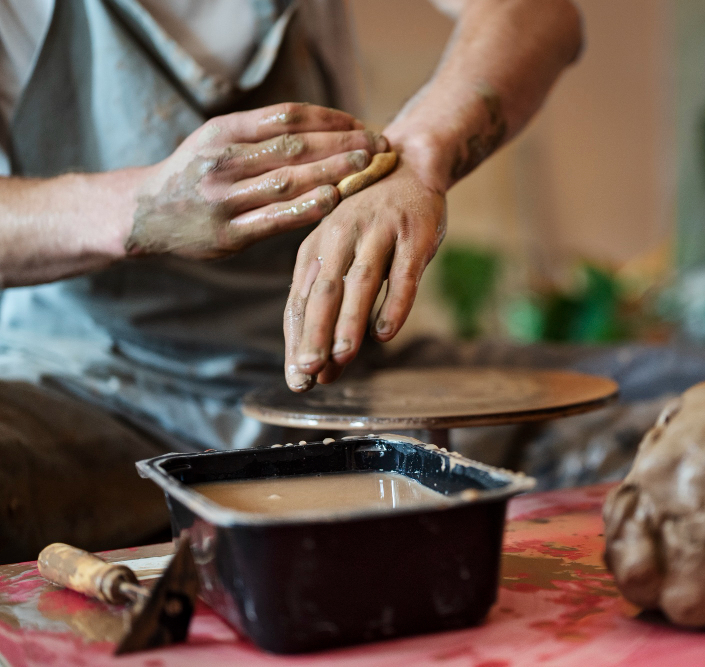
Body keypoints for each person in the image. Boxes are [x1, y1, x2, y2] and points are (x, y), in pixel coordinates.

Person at [0, 0, 583, 563]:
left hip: (334, 385)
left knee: (664, 399)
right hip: (85, 385)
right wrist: (139, 208)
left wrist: (419, 154)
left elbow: (536, 12)